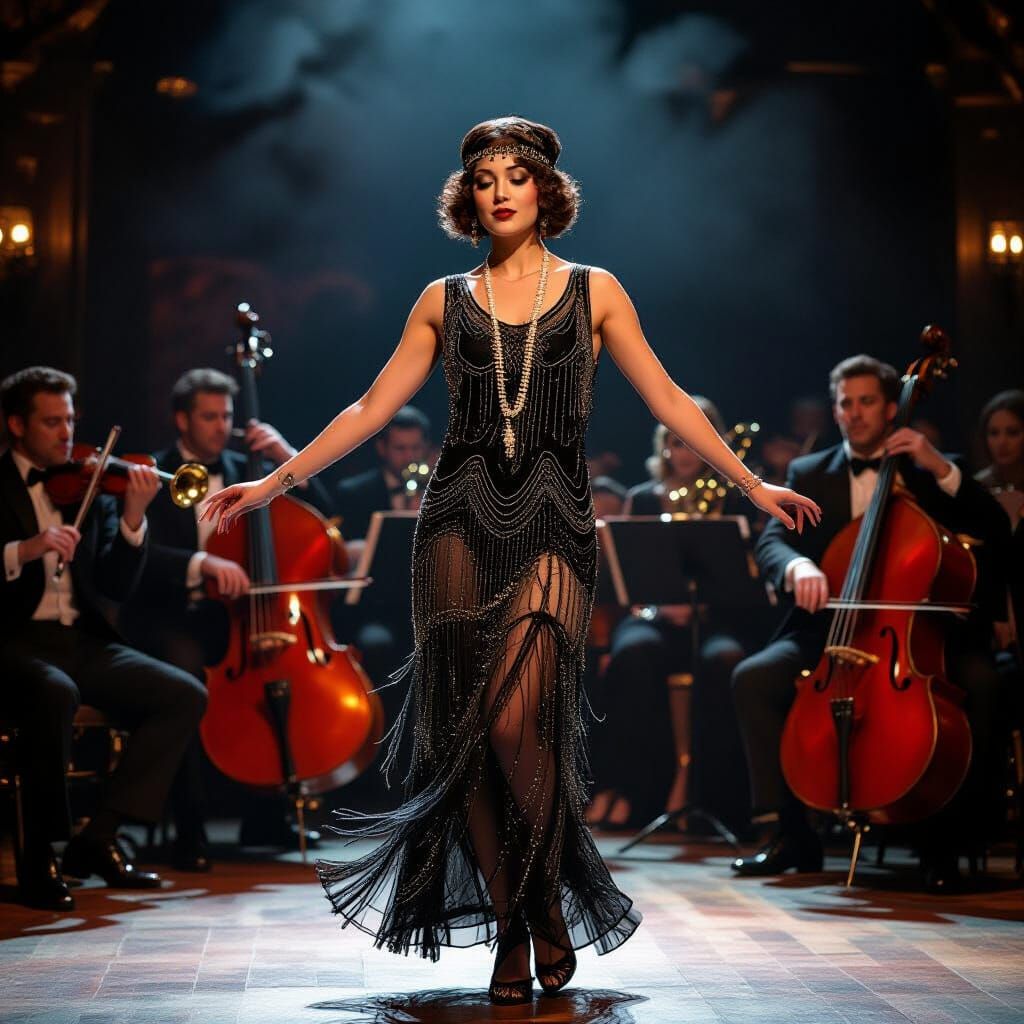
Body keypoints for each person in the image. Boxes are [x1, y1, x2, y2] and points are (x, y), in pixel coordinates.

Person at [200, 115, 820, 1005]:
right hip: (455, 523)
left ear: (544, 190)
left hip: (554, 523)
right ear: (470, 195)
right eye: (484, 176)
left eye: (514, 175)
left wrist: (753, 485)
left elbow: (670, 399)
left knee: (513, 725)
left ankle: (543, 906)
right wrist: (272, 484)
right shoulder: (440, 299)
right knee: (468, 740)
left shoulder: (596, 290)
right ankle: (513, 926)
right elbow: (371, 407)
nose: (499, 189)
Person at [730, 355, 1009, 891]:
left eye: (865, 402)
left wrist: (940, 466)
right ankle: (792, 836)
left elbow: (993, 525)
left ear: (889, 408)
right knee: (755, 677)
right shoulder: (811, 473)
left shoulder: (929, 469)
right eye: (844, 403)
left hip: (920, 635)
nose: (854, 414)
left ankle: (945, 843)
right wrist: (797, 562)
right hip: (832, 633)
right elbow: (774, 539)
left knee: (982, 684)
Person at [0, 366, 207, 910]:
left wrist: (134, 520)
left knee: (183, 692)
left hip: (80, 641)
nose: (67, 435)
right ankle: (39, 851)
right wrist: (24, 549)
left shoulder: (90, 486)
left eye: (70, 420)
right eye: (51, 422)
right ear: (17, 425)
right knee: (53, 691)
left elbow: (116, 584)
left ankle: (101, 835)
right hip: (13, 643)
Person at [119, 367, 333, 860]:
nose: (221, 426)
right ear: (182, 419)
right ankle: (189, 829)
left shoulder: (249, 470)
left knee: (273, 677)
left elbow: (324, 512)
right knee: (187, 677)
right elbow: (138, 552)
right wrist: (202, 561)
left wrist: (285, 458)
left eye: (227, 416)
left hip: (244, 616)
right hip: (178, 612)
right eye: (209, 416)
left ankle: (266, 819)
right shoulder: (152, 471)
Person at [587, 406, 751, 834]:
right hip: (653, 617)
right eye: (676, 441)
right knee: (632, 653)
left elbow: (741, 575)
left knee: (727, 660)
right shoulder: (643, 496)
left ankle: (706, 794)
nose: (684, 451)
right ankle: (630, 790)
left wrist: (701, 605)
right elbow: (627, 576)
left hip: (710, 621)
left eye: (692, 440)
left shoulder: (732, 495)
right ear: (665, 446)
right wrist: (659, 606)